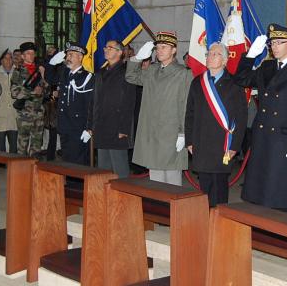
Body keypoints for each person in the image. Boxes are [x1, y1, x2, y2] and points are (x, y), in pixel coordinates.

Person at [234, 24, 287, 214]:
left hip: (285, 139)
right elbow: (241, 79)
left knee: (281, 193)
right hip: (263, 137)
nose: (275, 47)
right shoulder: (267, 66)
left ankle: (282, 235)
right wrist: (249, 56)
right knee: (259, 193)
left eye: (280, 42)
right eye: (272, 43)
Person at [126, 31, 193, 185]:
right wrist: (137, 58)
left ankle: (172, 209)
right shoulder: (151, 70)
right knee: (155, 180)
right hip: (152, 132)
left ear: (174, 50)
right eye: (158, 48)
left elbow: (185, 105)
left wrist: (183, 133)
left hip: (171, 133)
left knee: (172, 180)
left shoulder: (183, 73)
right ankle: (159, 208)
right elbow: (131, 76)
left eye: (164, 47)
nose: (159, 51)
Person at [185, 42, 247, 206]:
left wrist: (235, 145)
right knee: (204, 187)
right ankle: (205, 219)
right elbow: (190, 114)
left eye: (215, 54)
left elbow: (241, 117)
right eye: (209, 54)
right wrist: (189, 141)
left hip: (223, 144)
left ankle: (219, 223)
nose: (210, 57)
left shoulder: (235, 83)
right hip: (202, 142)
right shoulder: (198, 82)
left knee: (219, 187)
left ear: (225, 60)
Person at [91, 39, 136, 178]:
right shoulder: (100, 73)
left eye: (110, 47)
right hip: (101, 126)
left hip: (117, 126)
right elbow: (95, 101)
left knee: (119, 169)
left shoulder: (126, 72)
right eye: (105, 47)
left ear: (120, 52)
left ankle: (123, 197)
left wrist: (124, 128)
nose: (105, 50)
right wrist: (92, 125)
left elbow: (129, 102)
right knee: (103, 169)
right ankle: (105, 197)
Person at [49, 42, 94, 164]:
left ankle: (78, 183)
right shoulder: (64, 73)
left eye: (72, 55)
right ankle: (69, 182)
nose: (68, 58)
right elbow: (49, 79)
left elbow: (91, 104)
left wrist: (89, 128)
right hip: (64, 124)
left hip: (78, 126)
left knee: (78, 161)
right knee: (67, 159)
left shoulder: (87, 77)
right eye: (67, 55)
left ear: (80, 57)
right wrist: (52, 63)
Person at [11, 42, 46, 157]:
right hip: (25, 114)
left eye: (32, 53)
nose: (31, 56)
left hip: (39, 113)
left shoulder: (39, 70)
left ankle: (34, 170)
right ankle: (21, 172)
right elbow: (14, 92)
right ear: (22, 56)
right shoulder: (18, 72)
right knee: (22, 145)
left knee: (37, 145)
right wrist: (32, 91)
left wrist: (43, 76)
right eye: (28, 53)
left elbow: (48, 91)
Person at [0, 50, 18, 153]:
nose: (8, 61)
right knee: (0, 145)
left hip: (13, 114)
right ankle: (1, 165)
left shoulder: (17, 73)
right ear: (1, 60)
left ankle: (13, 166)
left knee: (13, 145)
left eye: (10, 58)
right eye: (5, 58)